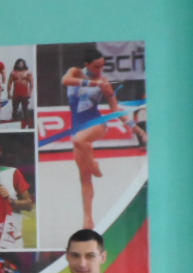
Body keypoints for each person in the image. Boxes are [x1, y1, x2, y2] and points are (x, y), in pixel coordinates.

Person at [62, 48, 149, 230]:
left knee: (78, 141)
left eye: (102, 66)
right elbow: (65, 81)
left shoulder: (104, 82)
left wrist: (137, 130)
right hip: (78, 127)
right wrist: (93, 83)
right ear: (87, 65)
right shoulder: (75, 72)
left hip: (97, 124)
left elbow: (115, 109)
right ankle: (88, 220)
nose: (100, 70)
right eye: (96, 66)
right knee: (84, 178)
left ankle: (93, 163)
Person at [6, 59, 33, 126]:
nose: (20, 65)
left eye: (21, 64)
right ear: (16, 64)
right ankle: (14, 123)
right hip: (16, 93)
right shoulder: (13, 73)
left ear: (23, 64)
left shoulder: (28, 72)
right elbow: (9, 83)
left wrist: (30, 93)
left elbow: (31, 84)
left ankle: (28, 124)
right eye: (19, 64)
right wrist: (9, 93)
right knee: (15, 109)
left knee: (25, 109)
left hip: (24, 93)